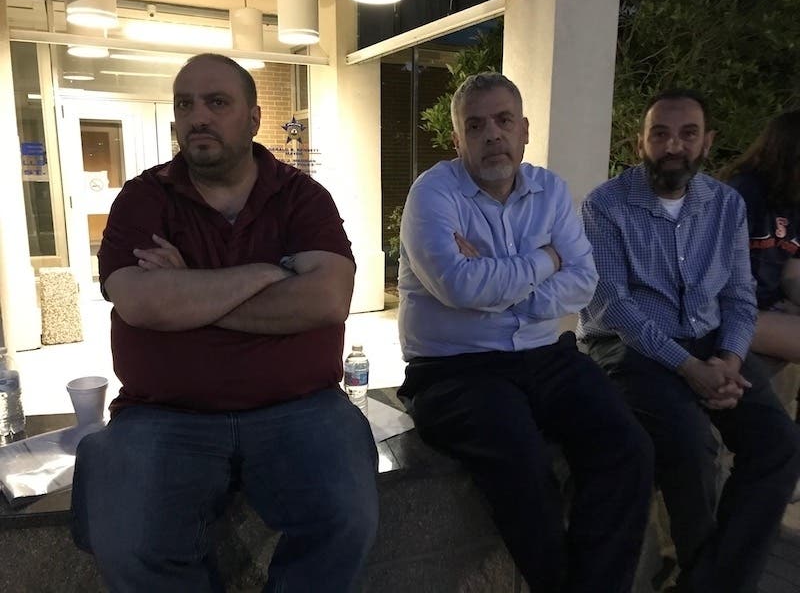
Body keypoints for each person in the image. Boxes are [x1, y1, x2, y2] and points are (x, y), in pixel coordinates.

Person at [70, 53, 379, 592]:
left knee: (347, 518)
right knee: (127, 539)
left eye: (217, 103)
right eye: (185, 104)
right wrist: (267, 273)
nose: (198, 117)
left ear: (254, 118)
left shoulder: (301, 197)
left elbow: (328, 299)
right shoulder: (145, 198)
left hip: (302, 407)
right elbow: (140, 303)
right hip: (162, 414)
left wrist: (188, 289)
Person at [396, 72, 654, 592]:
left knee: (629, 448)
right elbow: (459, 286)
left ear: (524, 130)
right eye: (475, 126)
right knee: (522, 464)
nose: (492, 134)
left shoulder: (550, 190)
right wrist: (545, 259)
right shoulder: (433, 194)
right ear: (458, 140)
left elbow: (583, 281)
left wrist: (498, 289)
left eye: (503, 120)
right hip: (454, 371)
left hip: (546, 355)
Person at [577, 89, 800, 593]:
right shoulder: (606, 205)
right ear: (640, 143)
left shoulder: (726, 205)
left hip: (709, 343)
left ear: (707, 142)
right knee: (690, 445)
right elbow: (613, 306)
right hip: (628, 347)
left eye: (687, 134)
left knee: (779, 445)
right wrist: (690, 367)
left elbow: (740, 296)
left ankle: (711, 582)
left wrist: (729, 358)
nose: (673, 145)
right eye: (660, 134)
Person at [720, 110, 800, 367]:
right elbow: (718, 275)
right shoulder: (744, 192)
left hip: (768, 308)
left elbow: (793, 275)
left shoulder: (796, 200)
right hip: (729, 314)